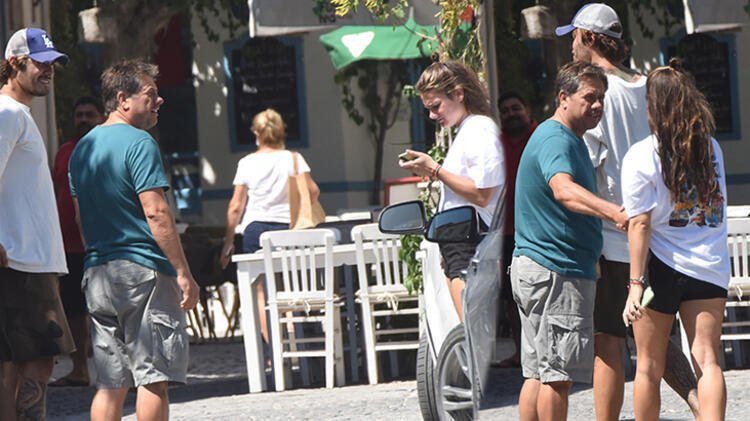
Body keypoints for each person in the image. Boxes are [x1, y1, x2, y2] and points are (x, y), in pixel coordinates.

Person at [556, 4, 701, 418]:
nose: (571, 45)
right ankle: (703, 406)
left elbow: (587, 168)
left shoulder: (597, 96)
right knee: (653, 340)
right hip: (659, 233)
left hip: (616, 234)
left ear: (588, 37)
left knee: (609, 342)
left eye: (574, 36)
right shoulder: (646, 85)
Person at [68, 59, 199, 421]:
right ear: (123, 99)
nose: (159, 100)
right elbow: (155, 212)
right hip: (143, 271)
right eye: (151, 94)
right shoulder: (140, 142)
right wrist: (183, 272)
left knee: (111, 384)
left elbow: (80, 219)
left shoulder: (82, 149)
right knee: (154, 378)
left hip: (98, 273)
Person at [510, 61, 628, 421]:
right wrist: (613, 213)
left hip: (540, 268)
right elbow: (562, 189)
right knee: (557, 376)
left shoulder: (566, 138)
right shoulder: (556, 138)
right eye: (589, 97)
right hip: (556, 272)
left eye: (601, 98)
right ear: (563, 97)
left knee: (538, 373)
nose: (598, 105)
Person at [621, 59, 729, 421]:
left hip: (663, 266)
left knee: (648, 367)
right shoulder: (711, 149)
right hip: (709, 266)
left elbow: (639, 224)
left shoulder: (641, 154)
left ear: (653, 105)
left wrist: (635, 285)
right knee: (708, 361)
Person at [0, 27, 76, 420]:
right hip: (21, 261)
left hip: (28, 260)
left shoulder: (16, 114)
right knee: (36, 363)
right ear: (14, 63)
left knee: (15, 369)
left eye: (53, 65)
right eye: (40, 63)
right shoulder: (8, 114)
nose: (49, 71)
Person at [399, 59, 504, 321]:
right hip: (462, 245)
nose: (432, 116)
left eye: (436, 106)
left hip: (469, 244)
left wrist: (435, 169)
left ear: (458, 93)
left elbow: (482, 194)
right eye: (428, 109)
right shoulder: (469, 130)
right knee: (471, 333)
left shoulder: (479, 130)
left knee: (473, 333)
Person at [219, 108, 321, 344]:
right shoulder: (293, 159)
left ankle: (274, 347)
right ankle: (294, 343)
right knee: (291, 286)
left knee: (262, 292)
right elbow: (313, 191)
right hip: (289, 228)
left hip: (256, 230)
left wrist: (228, 242)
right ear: (281, 131)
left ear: (256, 132)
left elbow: (236, 206)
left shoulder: (246, 163)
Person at [49, 96, 106, 388]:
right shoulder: (63, 152)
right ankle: (80, 369)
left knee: (106, 306)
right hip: (68, 245)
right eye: (79, 115)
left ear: (101, 117)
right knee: (73, 309)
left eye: (89, 114)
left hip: (102, 242)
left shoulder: (106, 147)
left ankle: (120, 372)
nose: (83, 119)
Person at [493, 91, 537, 369]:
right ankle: (521, 352)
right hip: (506, 230)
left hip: (537, 228)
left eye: (515, 108)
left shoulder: (540, 136)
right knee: (511, 295)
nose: (511, 114)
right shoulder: (496, 144)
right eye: (505, 110)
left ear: (527, 109)